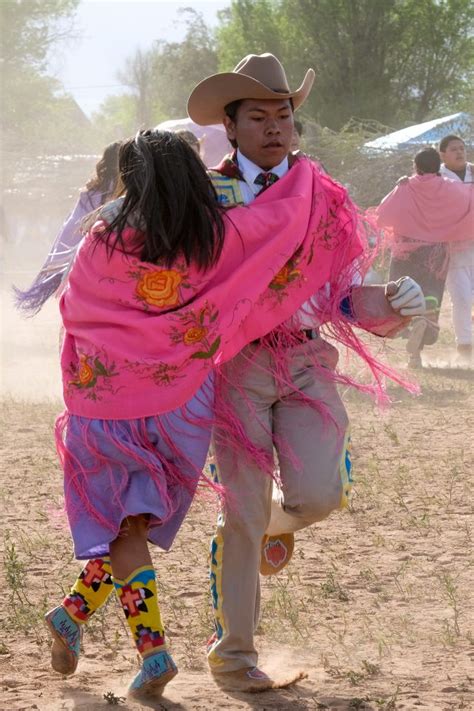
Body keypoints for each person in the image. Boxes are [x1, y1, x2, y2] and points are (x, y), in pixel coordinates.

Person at [43, 129, 381, 698]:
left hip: (108, 412)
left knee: (124, 526)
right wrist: (300, 185)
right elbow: (272, 241)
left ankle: (127, 642)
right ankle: (87, 625)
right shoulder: (211, 240)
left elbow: (76, 307)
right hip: (179, 410)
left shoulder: (102, 241)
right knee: (133, 526)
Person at [187, 52, 426, 690]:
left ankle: (274, 521)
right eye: (258, 116)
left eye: (284, 114)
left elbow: (344, 293)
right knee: (238, 514)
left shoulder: (324, 195)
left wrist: (391, 304)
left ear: (296, 122)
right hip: (233, 368)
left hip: (305, 360)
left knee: (321, 495)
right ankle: (233, 656)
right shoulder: (201, 198)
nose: (274, 126)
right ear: (230, 128)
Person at [375, 147, 473, 368]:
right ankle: (420, 338)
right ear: (438, 166)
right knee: (429, 297)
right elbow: (469, 203)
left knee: (404, 298)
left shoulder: (406, 186)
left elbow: (383, 213)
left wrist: (401, 186)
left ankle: (412, 346)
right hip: (435, 254)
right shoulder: (451, 188)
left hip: (405, 252)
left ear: (415, 166)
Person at [15, 141, 121, 315]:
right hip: (115, 254)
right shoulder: (128, 190)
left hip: (87, 256)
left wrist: (59, 259)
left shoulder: (91, 192)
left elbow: (71, 227)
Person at [438, 134, 474, 364]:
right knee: (461, 297)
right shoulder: (436, 176)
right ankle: (465, 345)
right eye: (454, 149)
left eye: (462, 148)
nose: (460, 152)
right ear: (443, 154)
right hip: (451, 249)